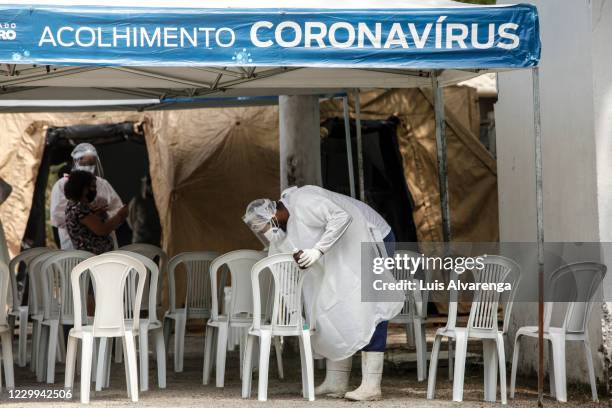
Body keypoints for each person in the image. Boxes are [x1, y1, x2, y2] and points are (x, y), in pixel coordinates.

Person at [243, 185, 403, 401]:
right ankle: (336, 381)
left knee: (370, 304)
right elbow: (285, 277)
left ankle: (372, 385)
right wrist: (295, 314)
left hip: (372, 235)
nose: (267, 233)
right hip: (340, 245)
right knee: (330, 303)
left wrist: (317, 250)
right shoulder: (283, 234)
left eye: (266, 227)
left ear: (274, 213)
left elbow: (341, 216)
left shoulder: (304, 199)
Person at [50, 143, 123, 249]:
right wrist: (91, 218)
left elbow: (116, 207)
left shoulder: (103, 184)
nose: (88, 167)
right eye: (84, 163)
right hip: (76, 247)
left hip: (103, 248)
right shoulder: (62, 186)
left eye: (91, 163)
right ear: (75, 161)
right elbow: (57, 217)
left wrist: (104, 215)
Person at [64, 170, 128, 255]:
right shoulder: (79, 207)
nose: (94, 190)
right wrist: (120, 216)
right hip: (95, 260)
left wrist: (95, 215)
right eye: (92, 187)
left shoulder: (74, 204)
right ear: (82, 188)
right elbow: (102, 230)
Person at [127, 175, 162, 245]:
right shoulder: (138, 200)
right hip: (140, 240)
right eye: (149, 183)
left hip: (156, 241)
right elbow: (130, 218)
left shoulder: (160, 202)